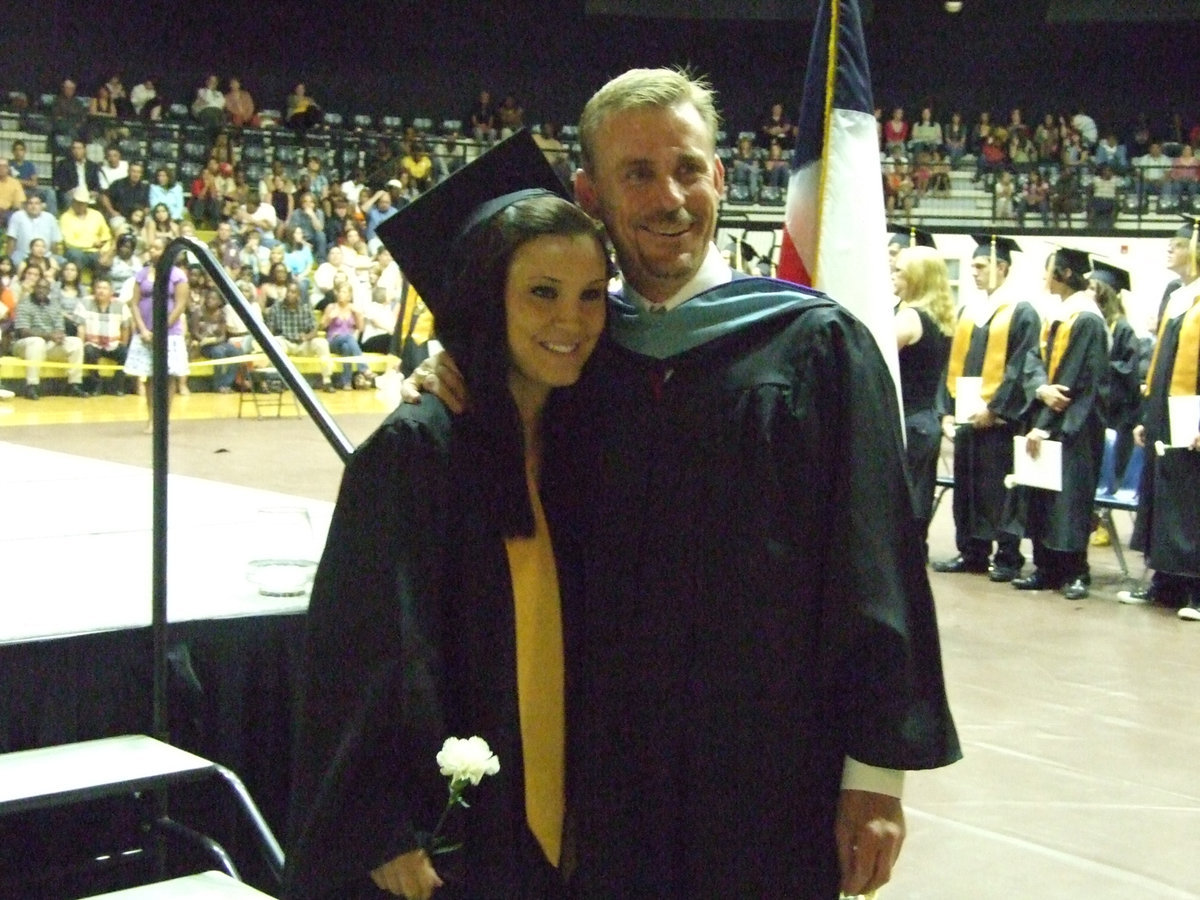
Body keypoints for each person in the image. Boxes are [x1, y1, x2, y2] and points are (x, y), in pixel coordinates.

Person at [405, 74, 960, 898]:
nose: (670, 197)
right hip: (598, 774)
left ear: (722, 179)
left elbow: (874, 564)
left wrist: (876, 775)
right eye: (637, 173)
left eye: (689, 168)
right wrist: (452, 373)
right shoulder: (572, 358)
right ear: (588, 193)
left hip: (770, 781)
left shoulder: (814, 346)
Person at [284, 133, 610, 900]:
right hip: (450, 838)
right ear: (484, 297)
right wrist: (380, 824)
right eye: (542, 292)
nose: (573, 319)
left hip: (569, 814)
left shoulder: (585, 438)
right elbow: (360, 648)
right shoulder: (420, 449)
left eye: (591, 294)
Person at [934, 235, 1041, 581]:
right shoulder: (969, 311)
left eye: (980, 266)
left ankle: (1008, 557)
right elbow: (951, 362)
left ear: (1001, 267)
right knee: (968, 485)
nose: (974, 273)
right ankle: (972, 552)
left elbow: (1021, 366)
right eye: (972, 266)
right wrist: (947, 409)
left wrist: (995, 409)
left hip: (1000, 423)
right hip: (967, 416)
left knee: (1002, 487)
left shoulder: (1022, 311)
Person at [1008, 249, 1109, 600]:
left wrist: (1046, 424)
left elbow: (1076, 380)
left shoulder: (1087, 320)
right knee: (1042, 495)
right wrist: (1039, 389)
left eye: (1047, 270)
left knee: (1069, 499)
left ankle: (1076, 571)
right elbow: (1031, 359)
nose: (1043, 277)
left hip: (1073, 425)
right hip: (1045, 415)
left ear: (1065, 274)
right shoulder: (1055, 313)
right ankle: (1045, 568)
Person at [1120, 218, 1200, 617]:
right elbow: (1159, 361)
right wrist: (1146, 417)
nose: (1170, 248)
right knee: (1163, 497)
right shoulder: (1177, 293)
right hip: (1165, 414)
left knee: (1192, 499)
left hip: (1193, 415)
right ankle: (1165, 581)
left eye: (1178, 242)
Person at [892, 241, 955, 556]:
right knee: (917, 497)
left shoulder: (908, 319)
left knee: (899, 501)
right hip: (924, 420)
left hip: (907, 422)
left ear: (915, 278)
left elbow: (871, 356)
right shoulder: (937, 318)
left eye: (899, 272)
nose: (893, 276)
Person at [123, 236, 190, 433]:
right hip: (145, 333)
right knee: (151, 378)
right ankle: (152, 419)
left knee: (168, 377)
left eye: (158, 248)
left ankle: (164, 419)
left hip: (169, 333)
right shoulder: (141, 275)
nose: (153, 251)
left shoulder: (178, 275)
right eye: (151, 248)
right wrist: (143, 329)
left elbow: (180, 305)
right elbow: (133, 303)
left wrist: (161, 328)